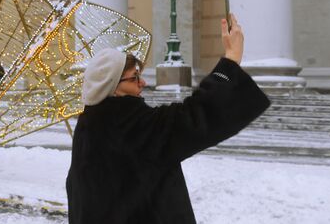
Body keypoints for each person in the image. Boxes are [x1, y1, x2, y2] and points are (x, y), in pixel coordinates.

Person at [66, 14, 271, 223]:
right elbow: (198, 115)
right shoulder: (132, 126)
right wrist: (231, 60)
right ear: (113, 86)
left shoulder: (88, 124)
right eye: (134, 77)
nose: (143, 83)